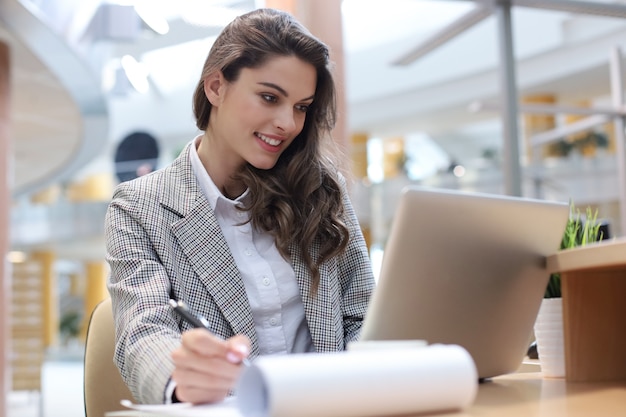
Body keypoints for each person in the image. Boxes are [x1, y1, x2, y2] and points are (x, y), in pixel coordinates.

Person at [104, 7, 375, 406]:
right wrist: (182, 377)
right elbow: (143, 332)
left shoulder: (319, 190)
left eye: (301, 107)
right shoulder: (138, 208)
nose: (288, 123)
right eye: (269, 97)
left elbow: (362, 316)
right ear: (216, 87)